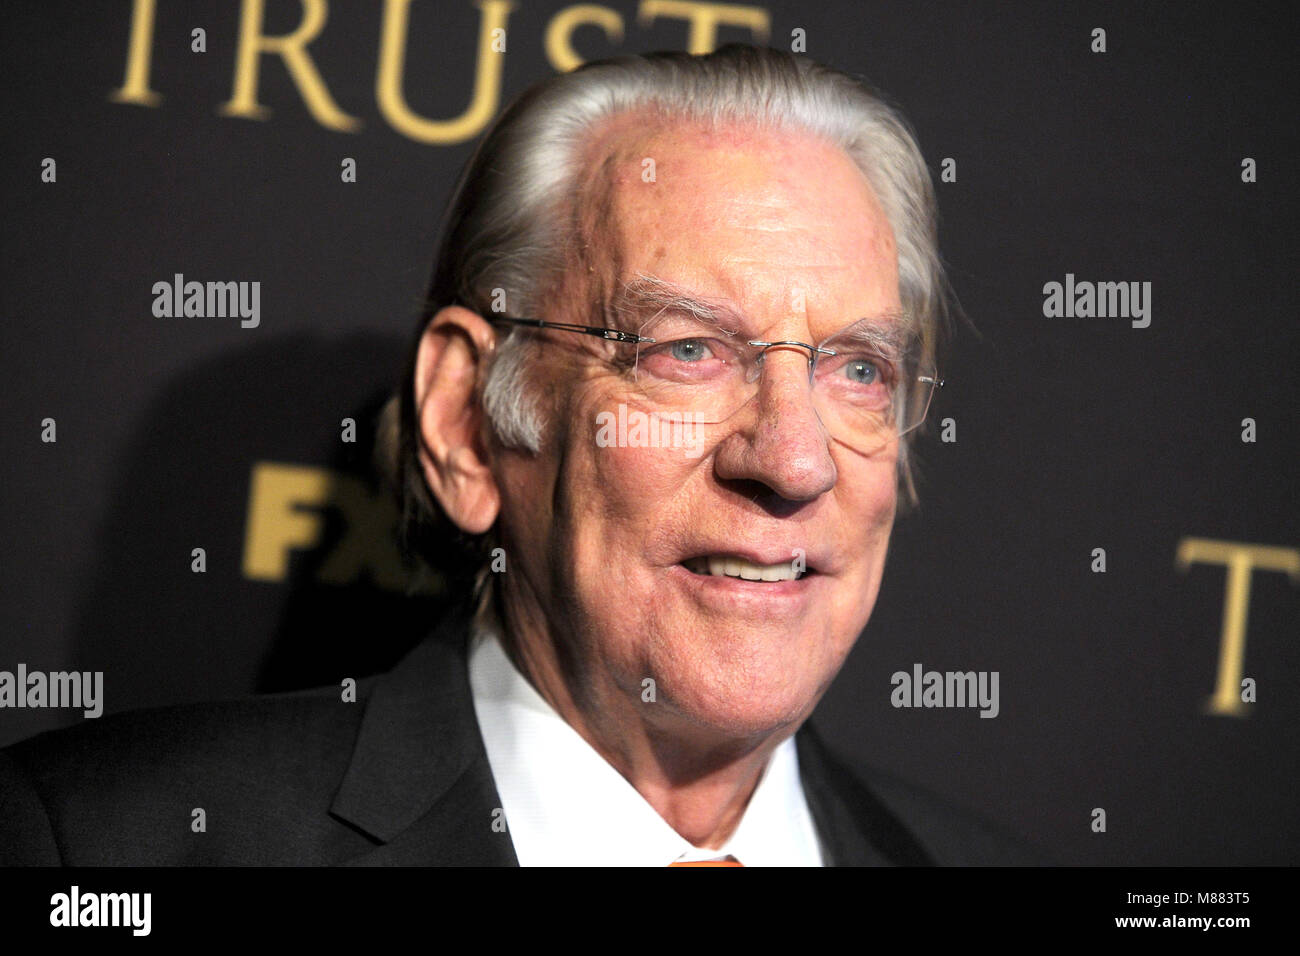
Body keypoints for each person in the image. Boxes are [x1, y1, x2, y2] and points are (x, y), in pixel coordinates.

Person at [0, 45, 1037, 866]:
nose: (793, 457)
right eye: (686, 349)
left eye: (857, 369)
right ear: (467, 421)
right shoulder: (99, 846)